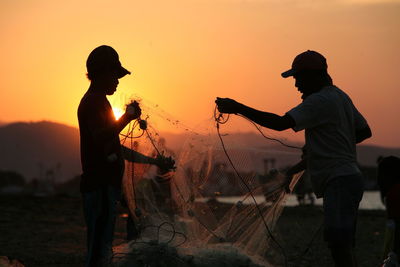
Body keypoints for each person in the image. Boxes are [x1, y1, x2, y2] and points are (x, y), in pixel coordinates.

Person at [215, 50, 371, 267]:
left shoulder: (319, 101)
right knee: (343, 244)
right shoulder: (340, 96)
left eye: (298, 78)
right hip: (349, 179)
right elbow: (364, 131)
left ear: (313, 76)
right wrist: (324, 145)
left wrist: (238, 107)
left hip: (339, 182)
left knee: (339, 244)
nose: (296, 85)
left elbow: (281, 123)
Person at [78, 45, 174, 267]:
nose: (118, 81)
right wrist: (126, 119)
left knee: (103, 246)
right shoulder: (93, 101)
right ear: (102, 73)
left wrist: (153, 161)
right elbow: (101, 137)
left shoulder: (101, 102)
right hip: (98, 187)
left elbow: (114, 147)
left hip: (106, 187)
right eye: (115, 75)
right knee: (98, 250)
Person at [377, 156, 400, 266]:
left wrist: (394, 255)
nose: (378, 180)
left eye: (381, 175)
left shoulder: (394, 194)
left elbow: (397, 229)